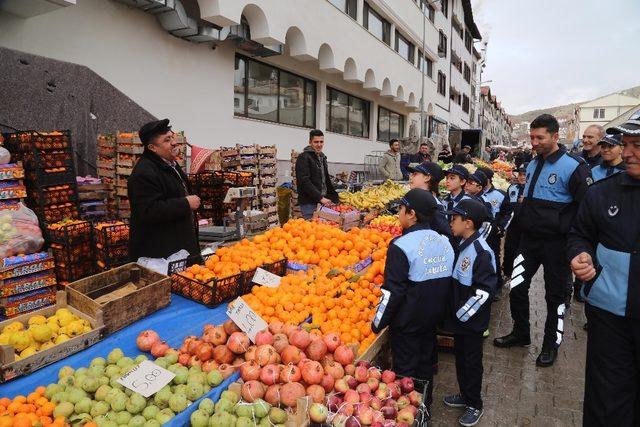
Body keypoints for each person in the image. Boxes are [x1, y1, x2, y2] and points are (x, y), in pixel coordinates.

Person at [493, 114, 591, 367]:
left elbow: (586, 210)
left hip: (557, 246)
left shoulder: (574, 167)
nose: (534, 142)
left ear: (555, 136)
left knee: (555, 298)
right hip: (529, 242)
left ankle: (550, 344)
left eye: (540, 137)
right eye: (532, 137)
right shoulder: (534, 164)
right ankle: (521, 332)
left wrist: (577, 245)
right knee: (516, 286)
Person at [567, 113, 640, 427]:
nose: (627, 153)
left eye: (637, 145)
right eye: (626, 145)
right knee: (606, 402)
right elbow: (580, 233)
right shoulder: (602, 191)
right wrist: (580, 254)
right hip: (610, 316)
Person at [371, 188, 455, 417]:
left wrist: (377, 323)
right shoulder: (445, 241)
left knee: (405, 374)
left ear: (412, 214)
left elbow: (393, 292)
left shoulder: (401, 246)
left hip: (407, 323)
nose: (398, 212)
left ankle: (407, 416)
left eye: (400, 208)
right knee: (426, 367)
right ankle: (425, 409)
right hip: (432, 320)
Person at [443, 199, 497, 427]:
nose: (450, 222)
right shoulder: (463, 244)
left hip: (471, 323)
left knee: (472, 363)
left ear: (468, 223)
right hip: (460, 322)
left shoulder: (481, 252)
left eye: (454, 219)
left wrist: (461, 316)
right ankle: (465, 395)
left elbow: (483, 293)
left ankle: (475, 403)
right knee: (461, 359)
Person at [128, 119, 200, 261]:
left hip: (178, 247)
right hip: (159, 254)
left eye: (172, 137)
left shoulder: (169, 163)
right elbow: (148, 210)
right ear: (152, 148)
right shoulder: (143, 173)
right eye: (167, 140)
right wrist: (186, 203)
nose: (174, 142)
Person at [476, 167, 511, 298]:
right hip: (476, 233)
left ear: (488, 180)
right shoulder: (474, 193)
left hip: (492, 235)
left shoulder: (500, 195)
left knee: (493, 259)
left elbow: (508, 213)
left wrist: (501, 227)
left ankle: (497, 286)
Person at [295, 129, 339, 220]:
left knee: (322, 231)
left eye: (321, 142)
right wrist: (320, 198)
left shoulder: (322, 157)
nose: (319, 145)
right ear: (310, 142)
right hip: (309, 203)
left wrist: (334, 197)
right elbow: (304, 181)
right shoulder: (304, 157)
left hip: (322, 201)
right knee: (312, 230)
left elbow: (325, 180)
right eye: (316, 142)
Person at [406, 162, 452, 242]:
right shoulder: (419, 199)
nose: (410, 177)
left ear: (427, 178)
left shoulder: (434, 206)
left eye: (415, 174)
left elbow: (445, 237)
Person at [502, 164, 527, 285]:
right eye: (521, 174)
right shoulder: (512, 188)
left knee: (521, 251)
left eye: (525, 175)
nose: (522, 177)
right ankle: (507, 273)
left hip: (526, 227)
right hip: (512, 227)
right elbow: (505, 207)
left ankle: (518, 276)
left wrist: (525, 202)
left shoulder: (533, 190)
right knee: (509, 249)